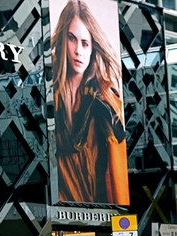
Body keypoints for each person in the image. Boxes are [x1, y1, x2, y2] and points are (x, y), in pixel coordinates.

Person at [51, 0, 128, 204]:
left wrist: (120, 220)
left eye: (85, 43)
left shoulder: (106, 102)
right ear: (62, 40)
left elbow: (118, 174)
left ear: (93, 47)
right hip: (60, 214)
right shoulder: (51, 99)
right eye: (72, 39)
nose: (78, 50)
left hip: (101, 215)